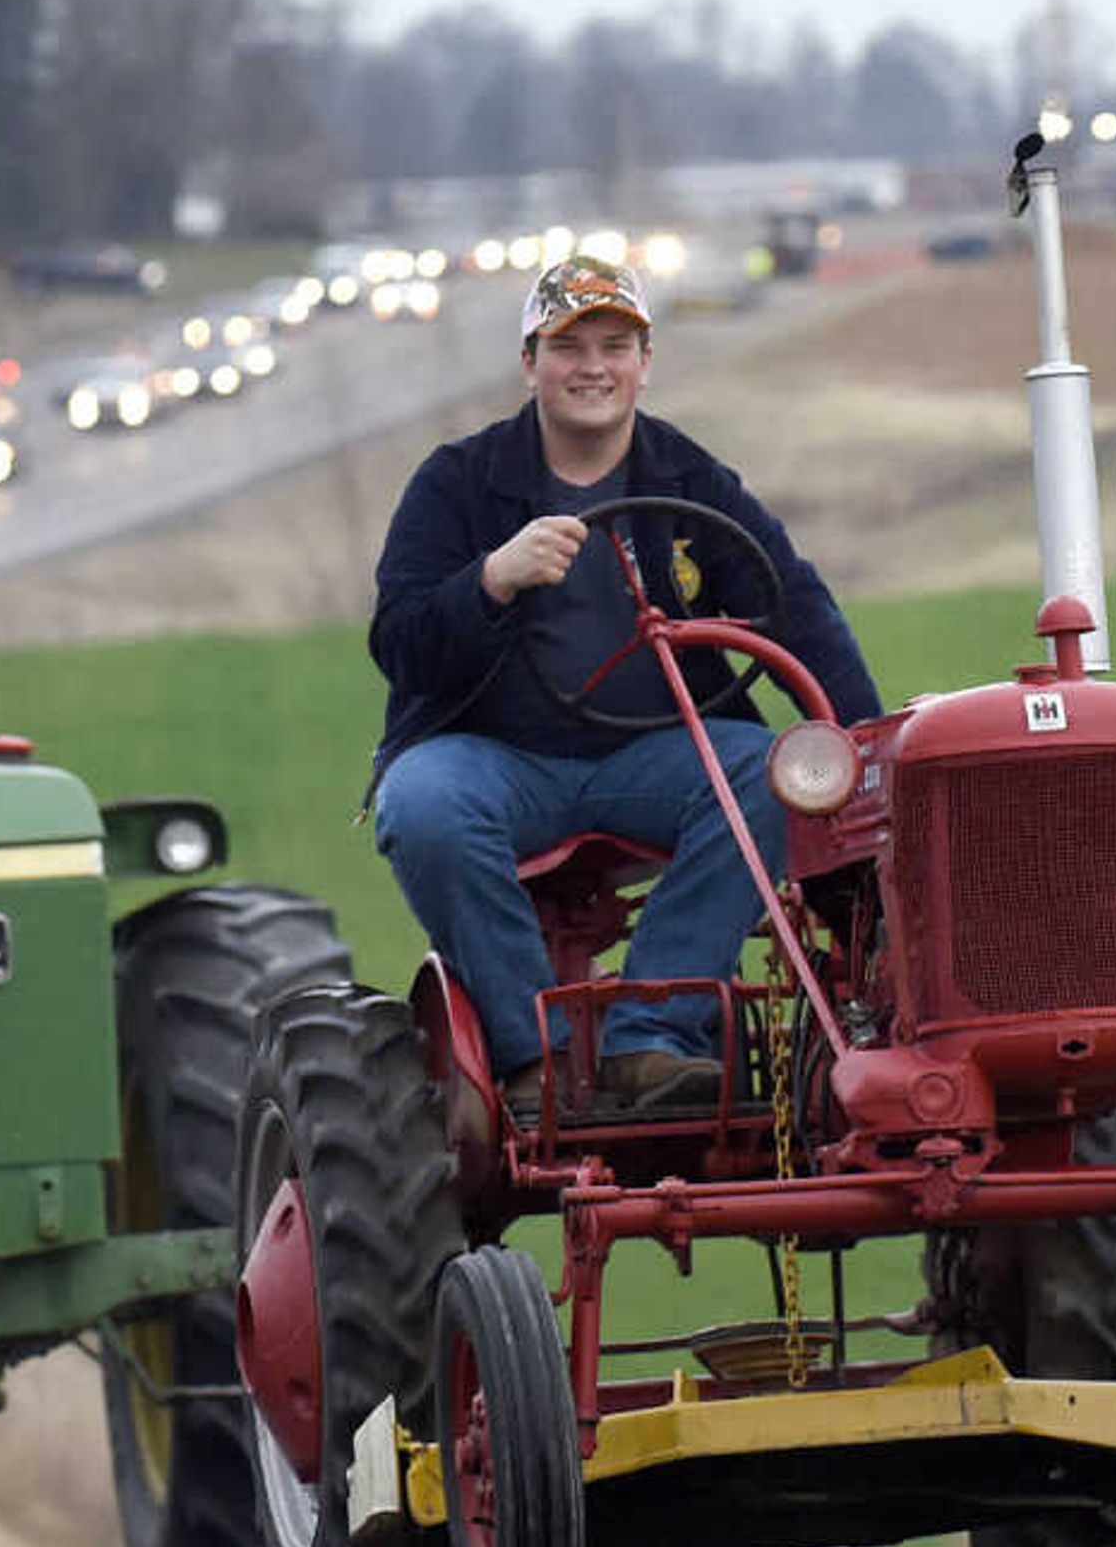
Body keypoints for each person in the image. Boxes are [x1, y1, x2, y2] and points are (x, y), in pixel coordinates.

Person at [369, 254, 881, 1122]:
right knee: (419, 803)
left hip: (652, 756)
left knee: (766, 772)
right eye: (569, 346)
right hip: (496, 759)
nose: (593, 367)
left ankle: (655, 1037)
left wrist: (865, 746)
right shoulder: (458, 483)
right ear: (530, 361)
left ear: (646, 362)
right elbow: (401, 642)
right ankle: (532, 1055)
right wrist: (490, 579)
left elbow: (793, 604)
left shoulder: (688, 481)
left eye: (616, 344)